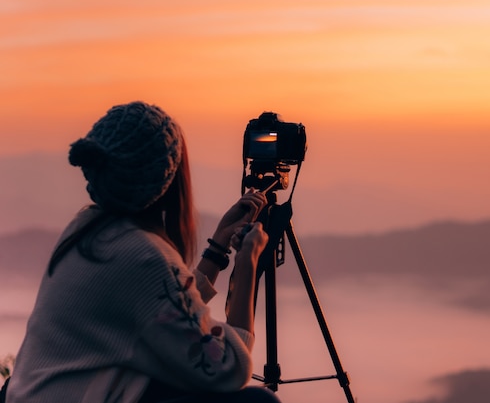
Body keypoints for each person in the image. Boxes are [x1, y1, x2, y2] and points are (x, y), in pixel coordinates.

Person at [5, 101, 282, 403]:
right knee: (259, 402)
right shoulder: (141, 256)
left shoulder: (86, 229)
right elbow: (230, 368)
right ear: (168, 180)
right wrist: (247, 264)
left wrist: (217, 248)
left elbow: (165, 313)